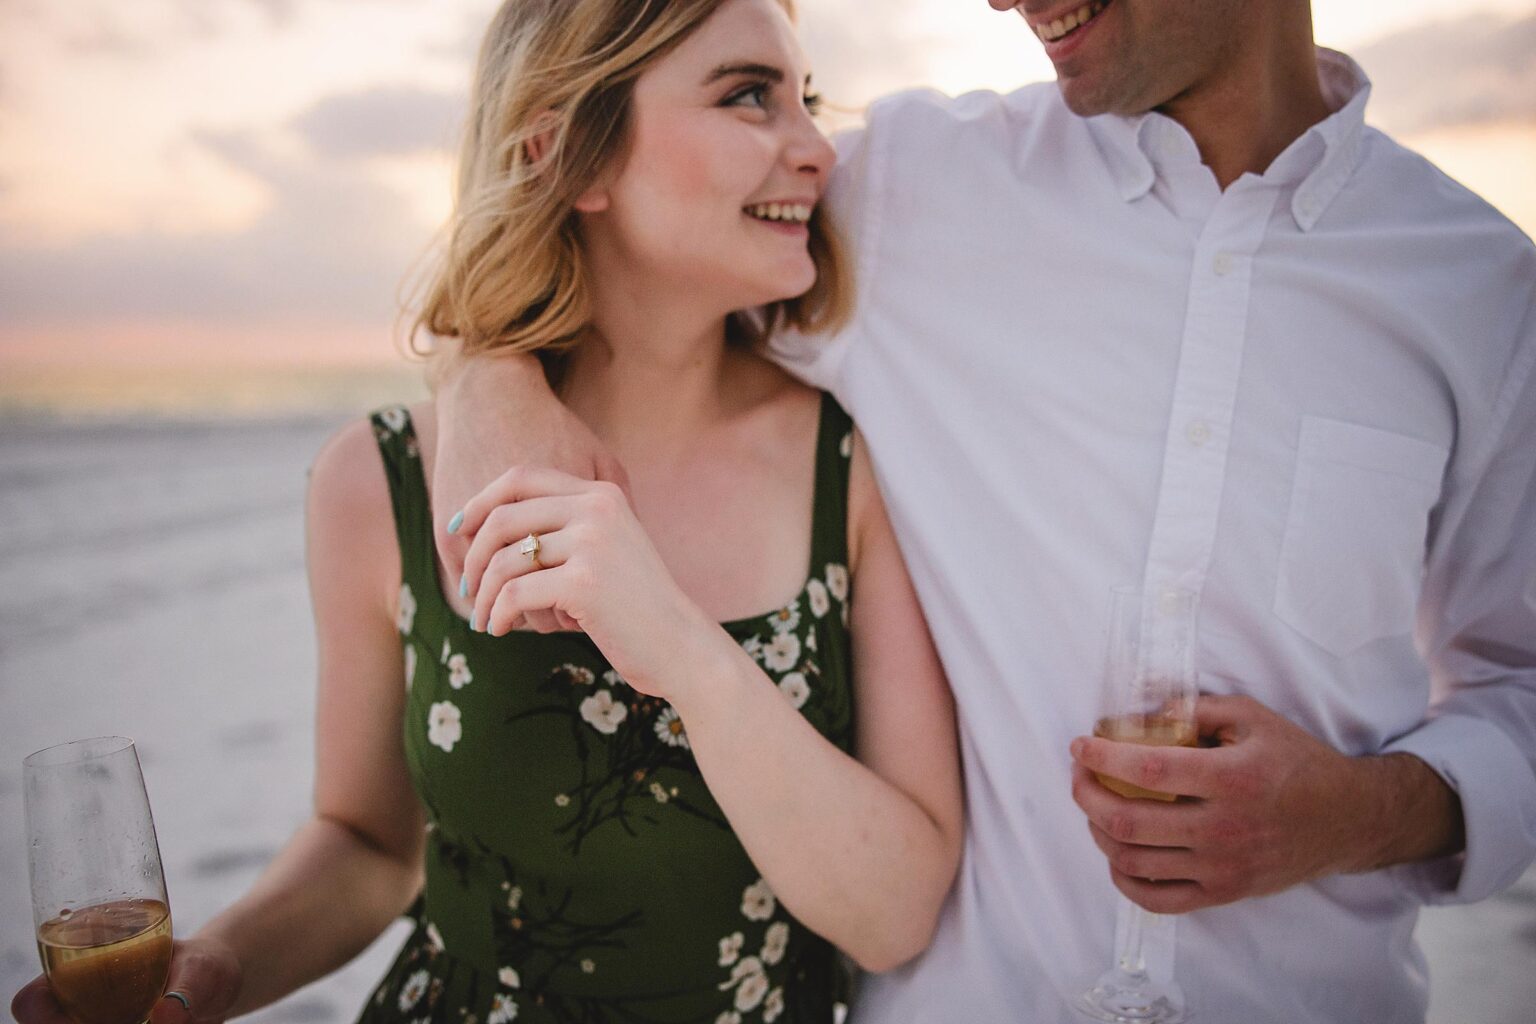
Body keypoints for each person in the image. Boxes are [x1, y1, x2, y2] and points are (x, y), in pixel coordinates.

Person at [425, 0, 1536, 1020]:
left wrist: (1359, 813)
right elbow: (616, 226)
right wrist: (489, 372)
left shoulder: (1480, 292)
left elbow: (1519, 685)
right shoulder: (902, 187)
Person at [10, 2, 965, 1023]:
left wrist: (680, 648)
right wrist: (225, 969)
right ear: (565, 154)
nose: (819, 146)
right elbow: (372, 845)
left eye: (805, 99)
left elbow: (897, 913)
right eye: (748, 96)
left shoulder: (849, 460)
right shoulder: (377, 479)